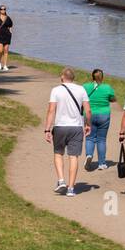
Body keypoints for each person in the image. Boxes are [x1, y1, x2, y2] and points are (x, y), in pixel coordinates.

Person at [43, 68, 91, 197]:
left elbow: (51, 111)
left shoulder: (56, 90)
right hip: (76, 127)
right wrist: (88, 124)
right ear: (73, 78)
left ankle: (61, 180)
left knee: (58, 153)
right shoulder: (81, 90)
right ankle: (71, 188)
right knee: (73, 157)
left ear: (62, 77)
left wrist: (47, 129)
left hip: (60, 127)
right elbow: (88, 111)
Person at [83, 68, 117, 171]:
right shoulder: (107, 87)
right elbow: (113, 99)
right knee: (101, 139)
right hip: (104, 114)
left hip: (90, 114)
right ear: (102, 77)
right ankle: (102, 163)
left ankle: (89, 155)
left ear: (92, 76)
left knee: (89, 137)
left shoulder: (85, 86)